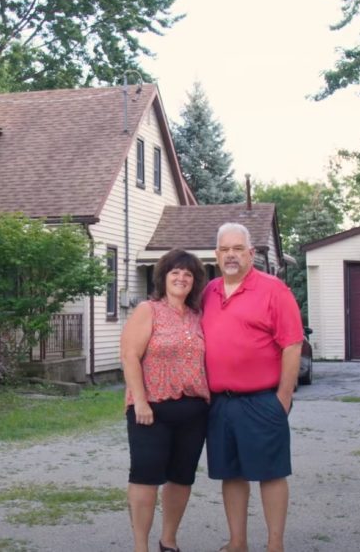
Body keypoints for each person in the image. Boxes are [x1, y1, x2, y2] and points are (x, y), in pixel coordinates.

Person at [201, 223, 304, 552]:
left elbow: (292, 344)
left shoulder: (274, 290)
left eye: (237, 248)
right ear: (216, 255)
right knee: (231, 474)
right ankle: (237, 542)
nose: (231, 255)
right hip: (220, 403)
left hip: (262, 400)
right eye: (224, 249)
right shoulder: (209, 292)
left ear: (251, 253)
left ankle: (275, 544)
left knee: (270, 473)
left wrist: (283, 399)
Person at [120, 249, 211, 552]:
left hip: (193, 411)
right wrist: (141, 402)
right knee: (145, 478)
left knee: (182, 478)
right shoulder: (149, 310)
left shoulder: (199, 316)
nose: (181, 278)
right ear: (163, 277)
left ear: (194, 281)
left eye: (188, 274)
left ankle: (168, 541)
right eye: (175, 272)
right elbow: (130, 356)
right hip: (151, 410)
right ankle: (140, 547)